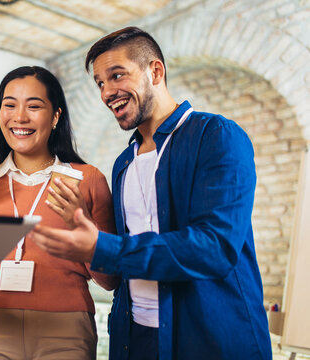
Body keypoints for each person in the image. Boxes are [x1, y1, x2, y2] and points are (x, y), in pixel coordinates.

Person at [30, 27, 272, 360]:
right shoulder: (123, 164)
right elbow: (118, 266)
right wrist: (84, 227)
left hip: (211, 341)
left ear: (155, 71)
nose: (107, 92)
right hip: (134, 340)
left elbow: (215, 247)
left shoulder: (216, 136)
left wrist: (103, 246)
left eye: (117, 76)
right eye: (100, 83)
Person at [0, 66, 119, 360]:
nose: (19, 116)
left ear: (56, 116)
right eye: (9, 105)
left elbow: (110, 280)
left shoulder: (88, 179)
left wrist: (81, 224)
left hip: (66, 326)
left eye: (34, 106)